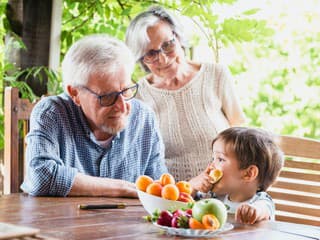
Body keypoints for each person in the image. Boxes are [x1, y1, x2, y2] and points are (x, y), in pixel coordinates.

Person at [21, 34, 168, 197]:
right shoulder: (52, 113)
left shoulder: (144, 118)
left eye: (126, 91)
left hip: (127, 222)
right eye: (107, 96)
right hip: (62, 221)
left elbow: (159, 190)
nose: (122, 106)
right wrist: (121, 188)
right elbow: (41, 176)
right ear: (75, 93)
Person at [125, 6, 246, 192]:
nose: (163, 59)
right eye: (151, 53)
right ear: (141, 59)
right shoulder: (138, 96)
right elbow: (141, 163)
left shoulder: (216, 75)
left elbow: (242, 134)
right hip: (174, 202)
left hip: (227, 193)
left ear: (179, 38)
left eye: (167, 45)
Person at [197, 127, 284, 224]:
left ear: (248, 174)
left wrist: (253, 210)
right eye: (213, 158)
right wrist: (193, 186)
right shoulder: (216, 197)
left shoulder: (262, 201)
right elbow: (186, 201)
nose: (211, 166)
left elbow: (263, 210)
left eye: (220, 159)